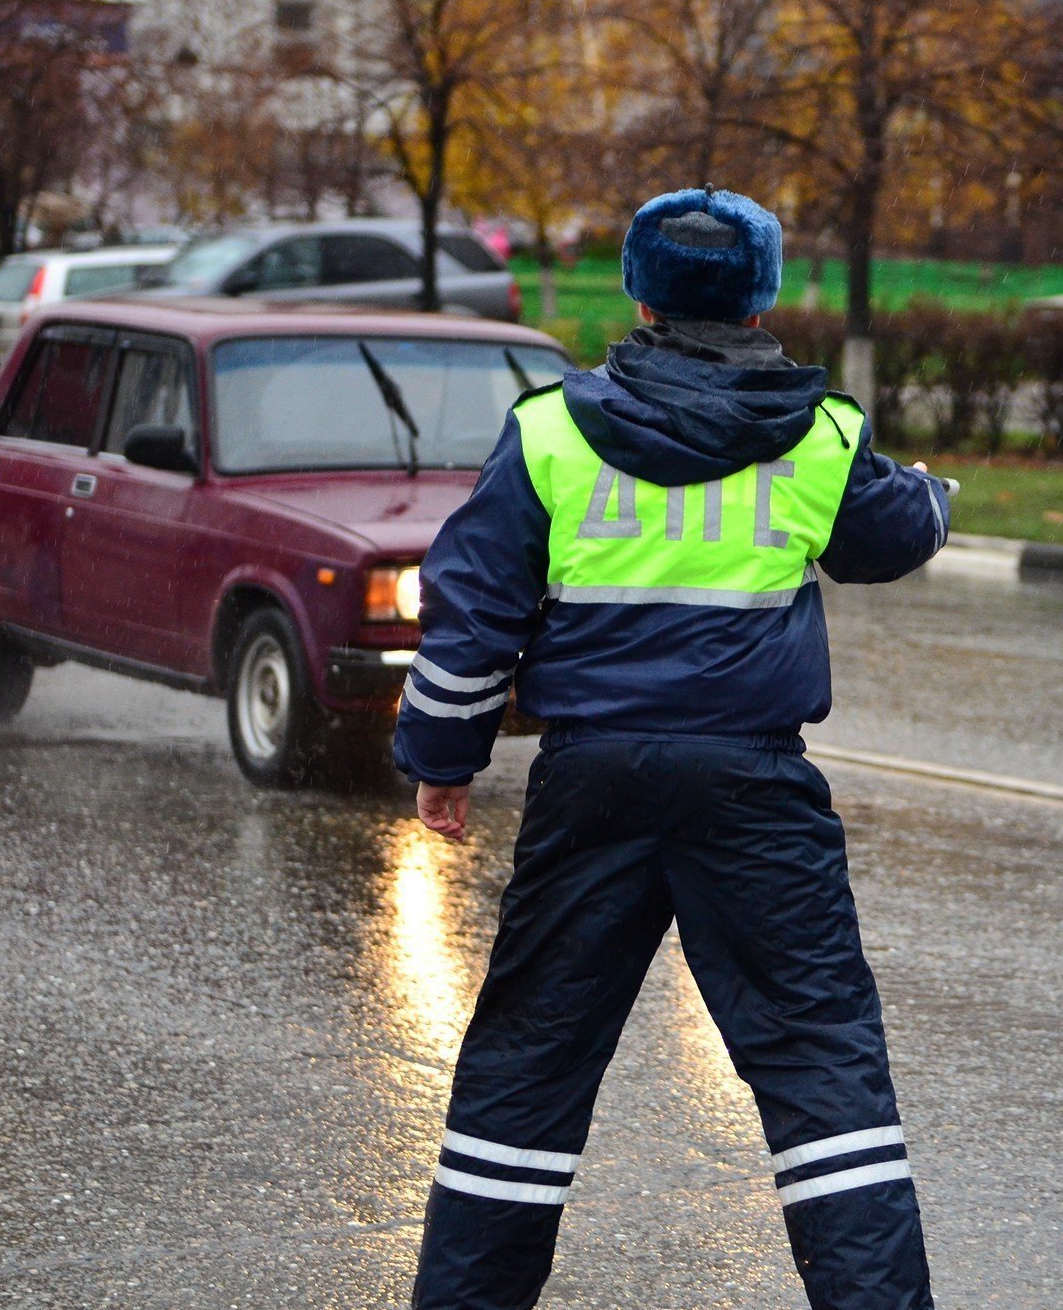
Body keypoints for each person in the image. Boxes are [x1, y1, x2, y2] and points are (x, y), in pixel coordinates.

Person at [394, 186, 949, 1310]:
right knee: (818, 1061)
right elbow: (893, 535)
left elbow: (472, 607)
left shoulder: (549, 428)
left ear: (638, 292)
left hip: (588, 779)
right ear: (765, 296)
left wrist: (443, 758)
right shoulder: (819, 433)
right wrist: (937, 496)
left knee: (529, 1063)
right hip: (754, 784)